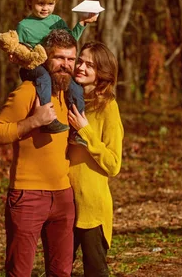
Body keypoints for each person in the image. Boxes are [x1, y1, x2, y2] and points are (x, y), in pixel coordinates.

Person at [0, 29, 79, 277]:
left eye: (71, 59)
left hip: (63, 196)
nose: (65, 65)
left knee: (61, 272)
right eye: (59, 58)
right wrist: (33, 121)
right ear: (45, 58)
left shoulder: (68, 95)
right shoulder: (28, 91)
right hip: (28, 196)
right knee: (19, 272)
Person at [66, 42, 124, 277]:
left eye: (90, 65)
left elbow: (113, 164)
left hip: (92, 208)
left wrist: (86, 131)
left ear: (102, 73)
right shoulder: (68, 100)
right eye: (80, 61)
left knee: (95, 272)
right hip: (65, 204)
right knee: (58, 270)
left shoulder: (108, 107)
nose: (80, 67)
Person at [16, 0, 98, 137]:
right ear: (30, 2)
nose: (45, 8)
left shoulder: (57, 21)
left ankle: (78, 127)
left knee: (75, 87)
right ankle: (47, 119)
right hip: (33, 67)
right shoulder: (24, 26)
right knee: (44, 77)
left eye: (50, 3)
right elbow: (18, 50)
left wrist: (82, 23)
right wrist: (17, 55)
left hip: (54, 65)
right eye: (40, 3)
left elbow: (69, 43)